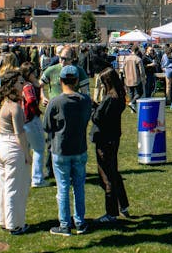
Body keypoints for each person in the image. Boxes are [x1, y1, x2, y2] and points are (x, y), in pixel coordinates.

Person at [43, 65, 92, 236]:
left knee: (63, 188)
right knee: (78, 187)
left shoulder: (56, 102)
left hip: (61, 149)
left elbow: (47, 125)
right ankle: (79, 222)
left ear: (61, 81)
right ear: (77, 81)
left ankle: (65, 224)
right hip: (79, 147)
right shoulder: (85, 100)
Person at [0, 70, 31, 235]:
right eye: (20, 83)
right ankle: (14, 224)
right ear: (12, 85)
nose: (23, 86)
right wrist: (27, 154)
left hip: (0, 146)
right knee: (14, 187)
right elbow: (19, 134)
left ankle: (3, 219)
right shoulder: (14, 107)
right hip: (11, 147)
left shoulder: (3, 104)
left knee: (3, 185)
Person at [91, 67, 129, 224]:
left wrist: (94, 108)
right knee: (113, 171)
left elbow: (97, 118)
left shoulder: (109, 98)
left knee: (106, 176)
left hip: (104, 138)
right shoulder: (119, 96)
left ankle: (111, 212)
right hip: (114, 136)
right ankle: (123, 204)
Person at [20, 62, 50, 188]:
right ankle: (37, 178)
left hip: (24, 120)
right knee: (38, 148)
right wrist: (37, 111)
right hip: (31, 120)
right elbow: (31, 100)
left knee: (25, 149)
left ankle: (25, 176)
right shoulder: (27, 86)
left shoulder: (24, 84)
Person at [121, 46, 146, 112]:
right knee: (140, 93)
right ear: (137, 51)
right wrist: (143, 78)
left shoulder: (126, 58)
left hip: (128, 79)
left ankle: (133, 108)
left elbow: (123, 69)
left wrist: (124, 76)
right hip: (136, 79)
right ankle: (132, 102)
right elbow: (142, 71)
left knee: (131, 93)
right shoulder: (138, 59)